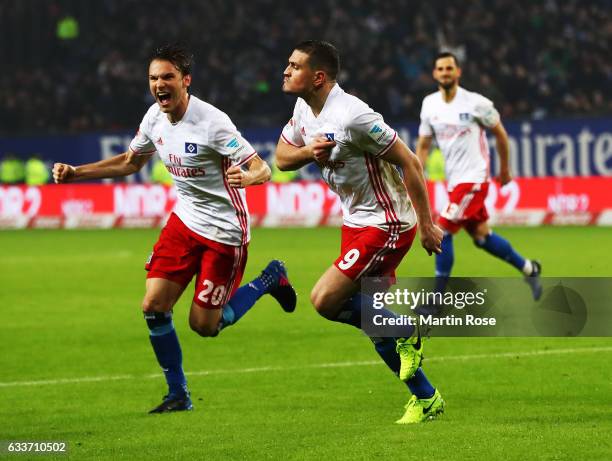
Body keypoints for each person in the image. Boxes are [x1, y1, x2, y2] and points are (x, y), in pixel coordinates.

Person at [53, 44, 297, 414]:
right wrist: (77, 173)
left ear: (186, 81)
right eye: (153, 78)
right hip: (184, 222)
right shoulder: (154, 118)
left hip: (223, 232)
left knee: (205, 326)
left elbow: (262, 167)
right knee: (153, 306)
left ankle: (269, 280)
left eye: (167, 77)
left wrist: (247, 177)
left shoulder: (213, 123)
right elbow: (131, 161)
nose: (159, 84)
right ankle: (178, 394)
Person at [275, 40, 445, 424]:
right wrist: (308, 152)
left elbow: (411, 163)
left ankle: (409, 329)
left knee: (324, 300)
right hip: (355, 222)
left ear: (317, 77)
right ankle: (426, 397)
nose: (285, 71)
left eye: (294, 66)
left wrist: (427, 224)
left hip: (388, 222)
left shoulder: (353, 116)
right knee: (373, 321)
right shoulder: (304, 107)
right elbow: (283, 158)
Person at [416, 52, 542, 299]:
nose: (445, 73)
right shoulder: (429, 105)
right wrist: (417, 175)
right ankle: (529, 269)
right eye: (440, 69)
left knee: (442, 230)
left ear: (458, 72)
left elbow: (501, 135)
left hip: (475, 179)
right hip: (455, 182)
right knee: (481, 236)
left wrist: (504, 169)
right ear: (434, 74)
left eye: (449, 68)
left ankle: (436, 300)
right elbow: (423, 145)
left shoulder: (476, 103)